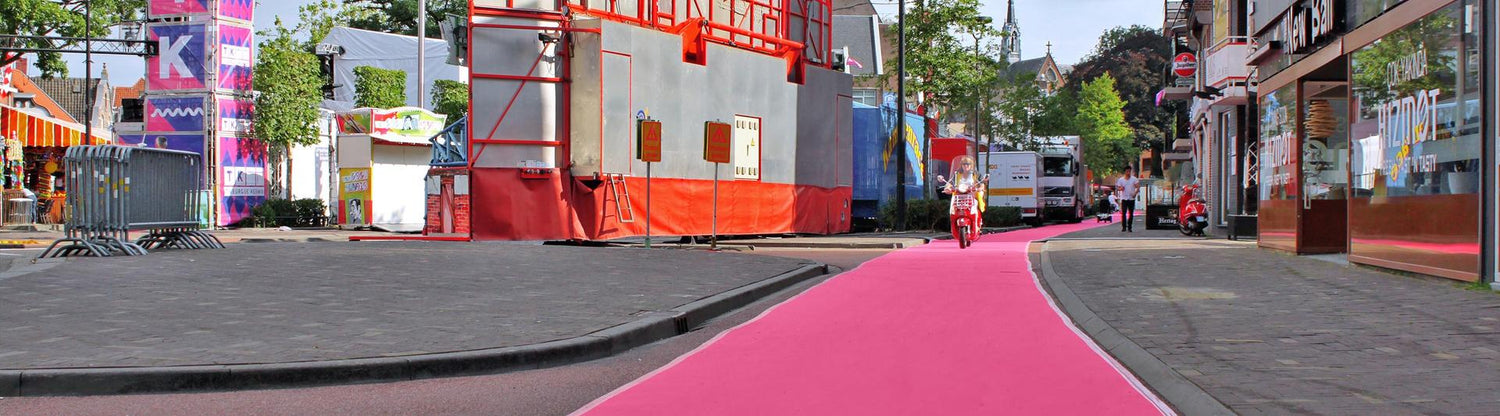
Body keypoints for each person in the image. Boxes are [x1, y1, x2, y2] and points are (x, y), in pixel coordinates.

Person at [1115, 166, 1140, 232]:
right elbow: (1118, 188)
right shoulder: (1121, 180)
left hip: (1131, 198)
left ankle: (1129, 227)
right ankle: (1123, 227)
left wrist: (1135, 193)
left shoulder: (1134, 179)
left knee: (1131, 213)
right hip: (1124, 199)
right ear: (1125, 172)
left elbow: (1138, 187)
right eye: (1127, 171)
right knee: (1123, 213)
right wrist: (1120, 189)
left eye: (1129, 171)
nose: (1128, 172)